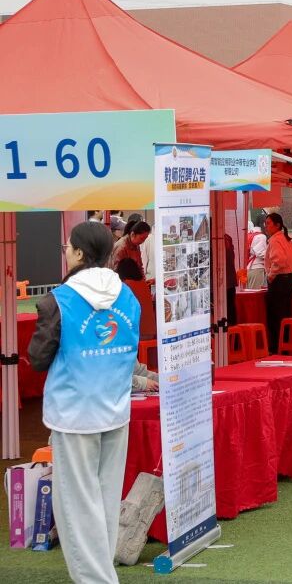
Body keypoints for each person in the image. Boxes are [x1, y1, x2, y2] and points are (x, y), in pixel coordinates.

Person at [27, 221, 142, 584]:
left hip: (74, 414)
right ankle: (101, 572)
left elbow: (38, 358)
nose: (65, 252)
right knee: (105, 501)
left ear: (79, 252)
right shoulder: (128, 296)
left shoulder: (58, 300)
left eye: (67, 247)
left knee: (76, 507)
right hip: (116, 409)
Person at [263, 213, 292, 352]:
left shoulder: (275, 240)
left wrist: (271, 275)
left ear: (277, 225)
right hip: (288, 280)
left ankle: (276, 348)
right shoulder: (286, 238)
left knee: (276, 317)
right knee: (285, 315)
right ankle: (286, 346)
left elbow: (279, 261)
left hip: (279, 281)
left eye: (268, 223)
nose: (266, 226)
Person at [246, 216, 268, 288]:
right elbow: (260, 253)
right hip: (257, 268)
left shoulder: (250, 234)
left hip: (248, 267)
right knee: (255, 293)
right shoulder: (261, 236)